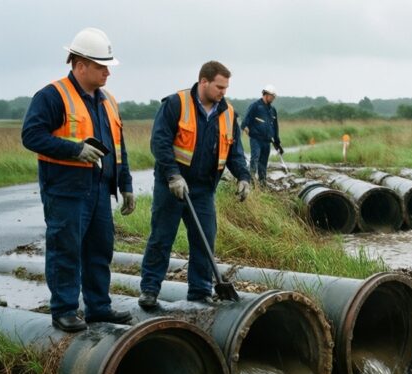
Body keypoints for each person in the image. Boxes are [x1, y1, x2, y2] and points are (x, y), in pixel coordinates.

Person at [21, 28, 135, 332]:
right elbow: (31, 135)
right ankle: (64, 310)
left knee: (100, 250)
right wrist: (75, 150)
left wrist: (125, 184)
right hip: (66, 190)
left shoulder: (108, 100)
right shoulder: (52, 96)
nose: (108, 72)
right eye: (101, 66)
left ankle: (99, 308)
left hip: (99, 190)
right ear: (80, 65)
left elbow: (118, 146)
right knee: (66, 249)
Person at [138, 61, 251, 308]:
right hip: (172, 185)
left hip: (203, 189)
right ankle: (149, 289)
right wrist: (173, 175)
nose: (223, 92)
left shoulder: (228, 113)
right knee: (161, 238)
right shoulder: (176, 104)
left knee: (204, 239)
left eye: (226, 87)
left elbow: (234, 153)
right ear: (203, 82)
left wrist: (243, 177)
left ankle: (200, 292)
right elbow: (160, 142)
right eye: (219, 87)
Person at [241, 85, 282, 185]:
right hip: (256, 139)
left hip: (267, 141)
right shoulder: (255, 106)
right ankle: (251, 182)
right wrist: (247, 130)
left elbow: (275, 127)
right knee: (255, 159)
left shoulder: (272, 110)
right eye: (272, 96)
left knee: (263, 162)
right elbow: (244, 123)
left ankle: (262, 183)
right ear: (266, 94)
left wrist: (277, 143)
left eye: (274, 97)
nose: (273, 99)